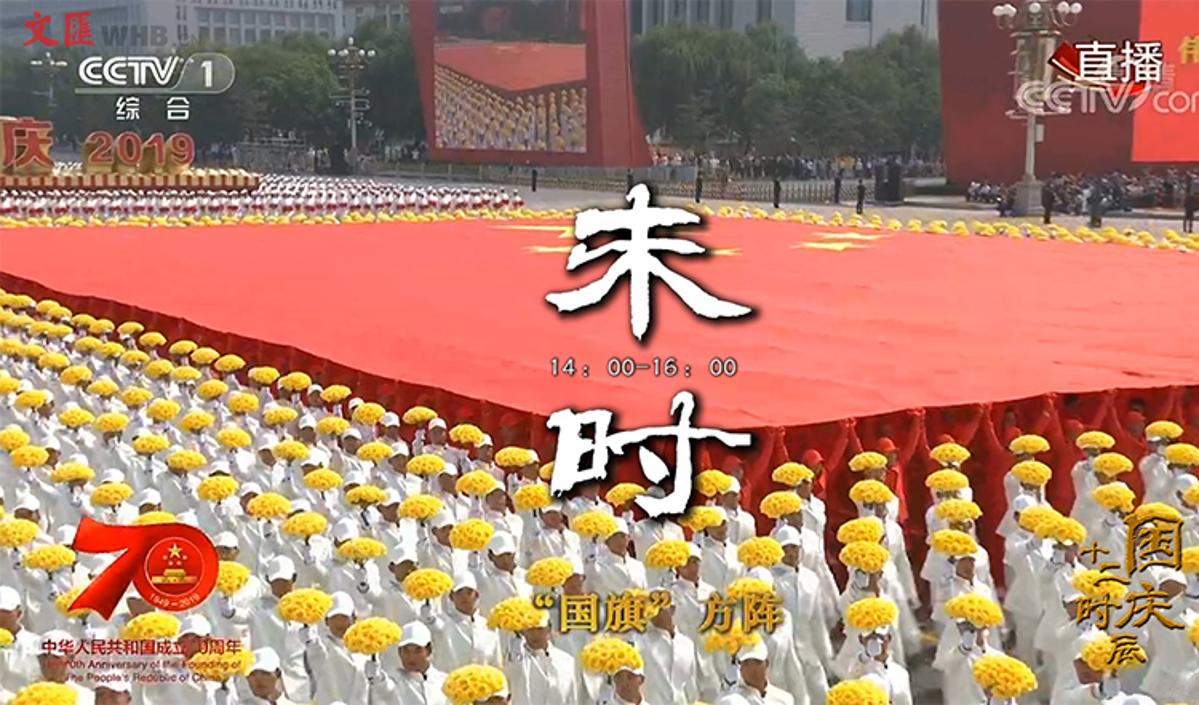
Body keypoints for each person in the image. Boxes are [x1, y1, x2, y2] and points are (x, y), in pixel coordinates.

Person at [368, 621, 447, 705]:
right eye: (406, 651)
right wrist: (376, 678)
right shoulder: (395, 679)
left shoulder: (444, 682)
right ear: (399, 652)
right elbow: (384, 689)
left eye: (418, 651)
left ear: (429, 650)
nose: (411, 657)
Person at [715, 642, 794, 705]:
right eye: (747, 663)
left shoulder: (784, 699)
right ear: (740, 667)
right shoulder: (731, 700)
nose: (752, 669)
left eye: (756, 662)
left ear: (766, 664)